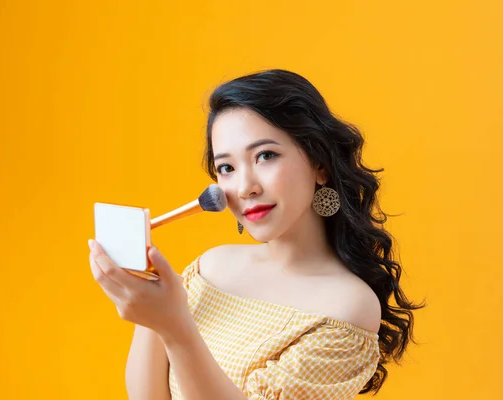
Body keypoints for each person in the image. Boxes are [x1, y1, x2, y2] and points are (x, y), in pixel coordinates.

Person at [88, 69, 424, 399]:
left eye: (265, 156)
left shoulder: (347, 307)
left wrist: (175, 328)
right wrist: (153, 311)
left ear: (319, 164)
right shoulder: (212, 267)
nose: (245, 187)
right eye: (227, 168)